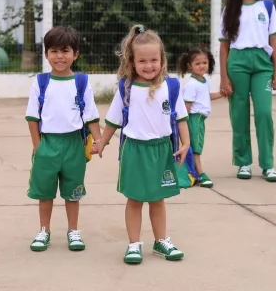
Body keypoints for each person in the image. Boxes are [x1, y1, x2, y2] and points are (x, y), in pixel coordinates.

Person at [93, 24, 190, 264]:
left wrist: (186, 143)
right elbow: (113, 120)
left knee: (158, 199)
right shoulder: (126, 88)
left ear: (162, 59)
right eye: (143, 61)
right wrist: (102, 142)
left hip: (162, 149)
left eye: (154, 60)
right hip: (135, 150)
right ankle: (134, 244)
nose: (149, 66)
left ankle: (161, 241)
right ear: (132, 62)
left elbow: (181, 118)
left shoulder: (171, 86)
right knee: (135, 199)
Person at [25, 26, 102, 252]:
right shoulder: (40, 82)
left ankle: (73, 231)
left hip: (74, 145)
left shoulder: (82, 82)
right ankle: (44, 230)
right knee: (45, 192)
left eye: (65, 51)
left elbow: (91, 114)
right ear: (46, 54)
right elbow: (32, 117)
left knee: (73, 192)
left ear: (75, 54)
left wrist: (98, 140)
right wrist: (37, 146)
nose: (60, 56)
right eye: (54, 51)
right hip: (47, 144)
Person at [219, 0, 276, 182]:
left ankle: (268, 165)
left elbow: (274, 39)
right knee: (239, 114)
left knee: (264, 113)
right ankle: (243, 162)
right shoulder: (230, 10)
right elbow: (224, 45)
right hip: (237, 62)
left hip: (262, 63)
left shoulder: (267, 6)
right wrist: (223, 77)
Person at [177, 47, 223, 188]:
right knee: (196, 147)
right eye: (198, 63)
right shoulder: (192, 84)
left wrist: (223, 94)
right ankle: (200, 174)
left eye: (205, 62)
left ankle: (192, 173)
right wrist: (182, 123)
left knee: (196, 146)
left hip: (200, 119)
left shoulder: (203, 81)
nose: (202, 66)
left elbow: (206, 97)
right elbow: (187, 106)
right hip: (194, 119)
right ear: (190, 66)